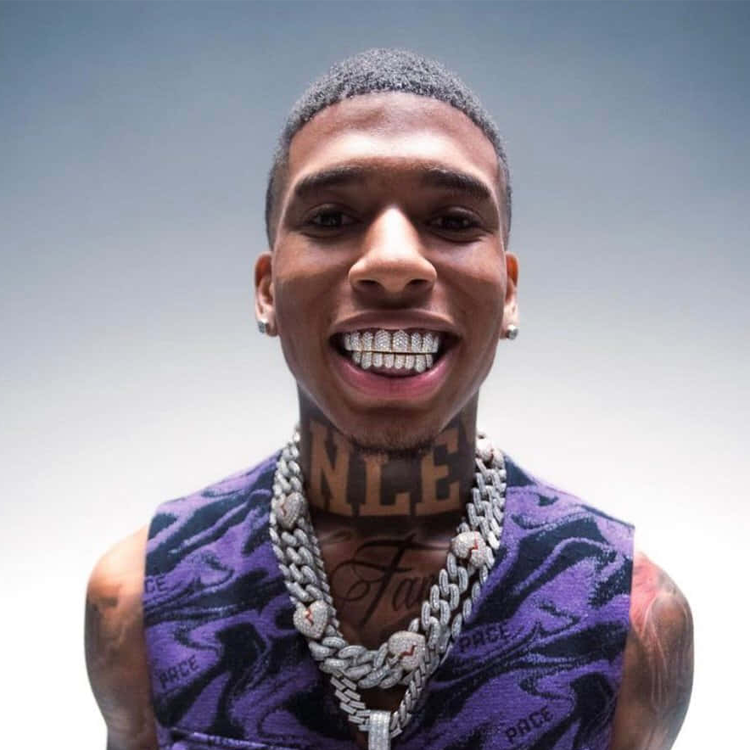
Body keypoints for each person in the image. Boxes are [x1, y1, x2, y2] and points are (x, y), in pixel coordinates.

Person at [84, 49, 693, 750]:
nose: (394, 261)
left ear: (509, 294)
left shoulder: (630, 621)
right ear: (267, 291)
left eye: (454, 221)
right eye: (332, 217)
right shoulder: (139, 599)